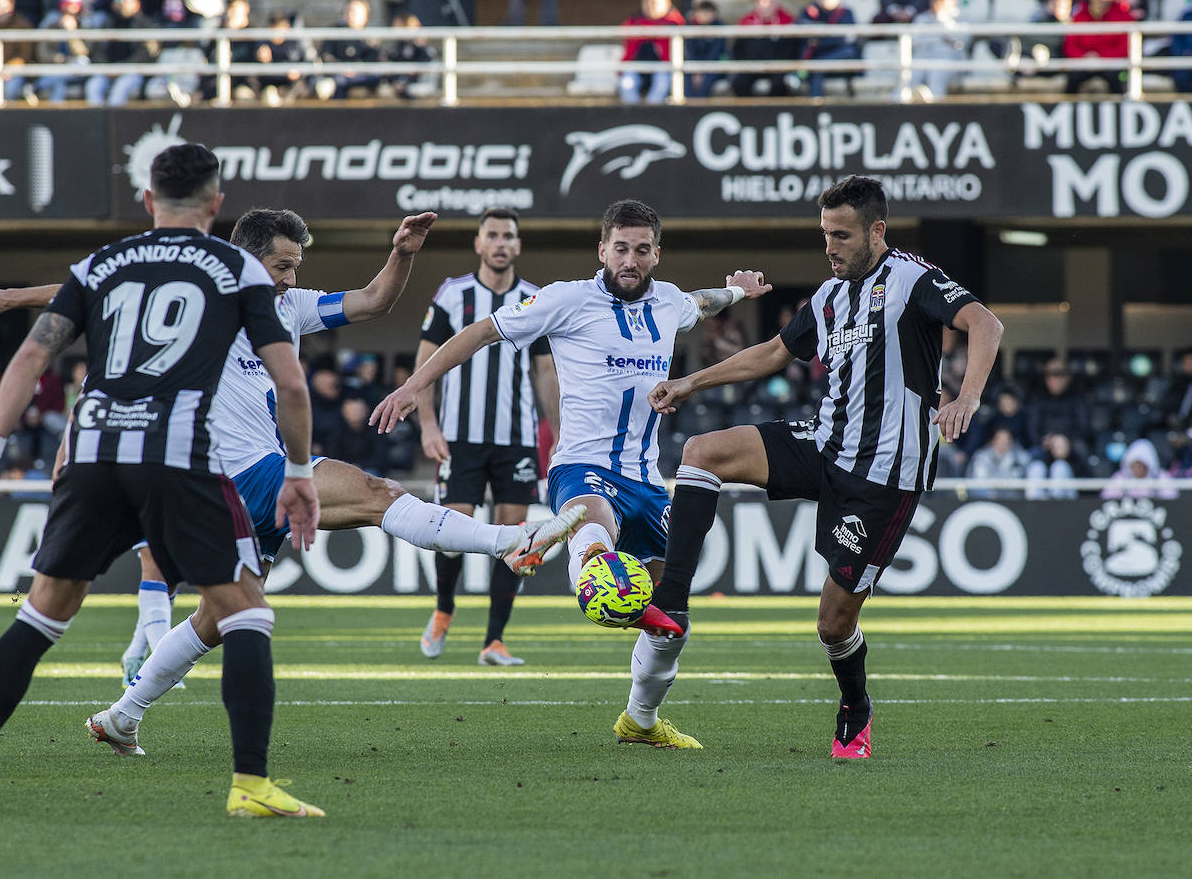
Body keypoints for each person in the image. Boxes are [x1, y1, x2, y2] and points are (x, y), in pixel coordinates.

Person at [0, 207, 585, 735]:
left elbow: (370, 302)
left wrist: (402, 253)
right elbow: (95, 287)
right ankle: (511, 540)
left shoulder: (284, 305)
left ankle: (124, 715)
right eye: (283, 266)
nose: (291, 279)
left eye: (295, 268)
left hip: (253, 474)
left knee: (216, 618)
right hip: (238, 468)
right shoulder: (204, 290)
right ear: (249, 260)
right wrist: (6, 297)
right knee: (376, 493)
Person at [0, 142, 326, 819]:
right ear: (216, 204)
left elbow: (32, 352)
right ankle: (250, 785)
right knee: (247, 612)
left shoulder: (103, 263)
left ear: (148, 200)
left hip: (93, 450)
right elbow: (289, 381)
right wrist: (297, 471)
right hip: (175, 455)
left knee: (43, 612)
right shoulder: (237, 269)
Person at [372, 198, 771, 749]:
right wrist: (414, 386)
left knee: (670, 614)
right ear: (601, 249)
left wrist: (738, 292)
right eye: (620, 248)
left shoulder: (670, 303)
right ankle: (581, 557)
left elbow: (702, 303)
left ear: (656, 254)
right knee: (593, 520)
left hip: (647, 481)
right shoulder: (566, 299)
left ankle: (641, 720)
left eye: (642, 250)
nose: (630, 260)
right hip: (581, 465)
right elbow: (479, 333)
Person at [643, 175, 1004, 759]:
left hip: (883, 476)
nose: (830, 247)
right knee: (700, 453)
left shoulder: (912, 279)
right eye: (825, 235)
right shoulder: (829, 297)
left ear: (876, 232)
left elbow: (986, 324)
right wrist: (691, 381)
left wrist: (967, 397)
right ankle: (675, 602)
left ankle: (855, 708)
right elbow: (775, 352)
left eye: (841, 235)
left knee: (833, 624)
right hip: (824, 445)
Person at [413, 208, 561, 667]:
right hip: (459, 436)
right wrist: (428, 424)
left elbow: (544, 369)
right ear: (479, 244)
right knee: (453, 531)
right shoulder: (453, 295)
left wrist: (557, 433)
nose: (500, 243)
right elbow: (425, 360)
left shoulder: (535, 299)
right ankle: (443, 608)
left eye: (508, 236)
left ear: (518, 246)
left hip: (516, 438)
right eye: (492, 235)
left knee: (514, 535)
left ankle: (494, 640)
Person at [1062, 0, 1135, 95]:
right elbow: (1070, 45)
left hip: (1112, 65)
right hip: (1085, 64)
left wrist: (1102, 58)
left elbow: (1126, 46)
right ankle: (1065, 110)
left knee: (1116, 78)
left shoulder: (1122, 15)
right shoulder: (1080, 15)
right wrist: (1085, 59)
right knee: (1073, 77)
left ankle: (1119, 110)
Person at [796, 0, 861, 99]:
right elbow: (801, 34)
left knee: (821, 64)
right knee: (813, 64)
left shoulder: (846, 13)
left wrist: (819, 40)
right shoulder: (809, 12)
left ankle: (814, 106)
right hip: (815, 60)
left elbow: (846, 39)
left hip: (841, 61)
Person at [618, 0, 685, 104]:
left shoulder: (674, 22)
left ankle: (651, 113)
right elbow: (628, 49)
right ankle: (632, 113)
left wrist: (652, 32)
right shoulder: (634, 21)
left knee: (662, 82)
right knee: (626, 83)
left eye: (654, 2)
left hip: (663, 67)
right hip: (638, 65)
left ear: (667, 3)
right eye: (646, 1)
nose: (649, 5)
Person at [731, 0, 796, 97]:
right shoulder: (746, 21)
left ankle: (773, 114)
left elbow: (791, 51)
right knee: (739, 83)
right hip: (752, 67)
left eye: (769, 1)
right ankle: (749, 113)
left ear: (777, 2)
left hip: (778, 68)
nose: (764, 4)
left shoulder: (787, 21)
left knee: (780, 84)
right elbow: (738, 50)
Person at [911, 0, 970, 101]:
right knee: (908, 77)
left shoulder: (961, 19)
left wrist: (941, 18)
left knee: (936, 76)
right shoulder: (922, 18)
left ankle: (934, 111)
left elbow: (962, 42)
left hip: (948, 58)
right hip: (923, 56)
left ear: (953, 0)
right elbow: (914, 40)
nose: (937, 2)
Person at [1100, 437, 1177, 499]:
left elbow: (1171, 500)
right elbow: (1106, 498)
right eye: (1134, 466)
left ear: (1148, 465)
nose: (1138, 469)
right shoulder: (1121, 477)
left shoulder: (1161, 477)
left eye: (1141, 465)